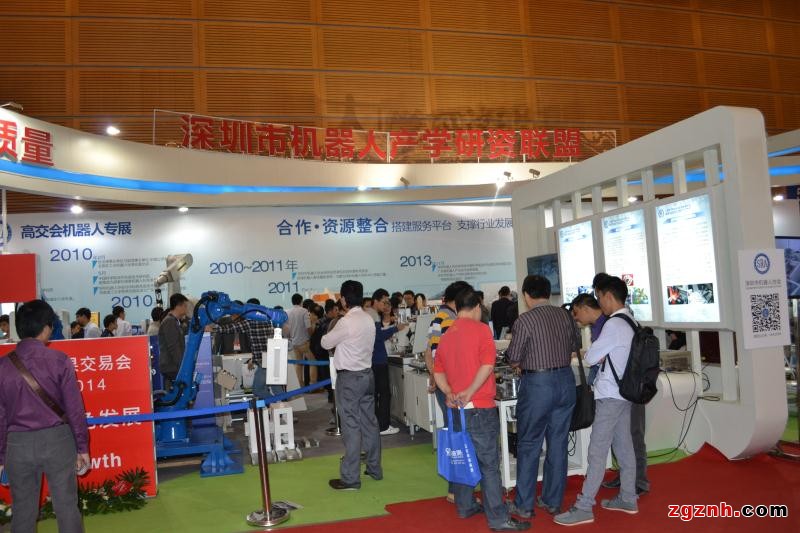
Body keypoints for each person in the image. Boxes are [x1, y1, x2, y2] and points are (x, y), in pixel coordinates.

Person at [434, 288, 530, 532]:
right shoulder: (481, 330)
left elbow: (438, 371)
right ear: (477, 306)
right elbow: (487, 365)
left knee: (462, 456)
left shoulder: (447, 334)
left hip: (457, 408)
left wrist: (449, 392)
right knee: (489, 464)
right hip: (479, 406)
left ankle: (465, 506)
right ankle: (498, 518)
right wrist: (469, 391)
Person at [0, 299, 90, 533]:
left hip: (17, 444)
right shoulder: (59, 360)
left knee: (23, 512)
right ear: (46, 327)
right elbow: (74, 409)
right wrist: (82, 447)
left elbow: (0, 417)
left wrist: (1, 457)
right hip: (58, 440)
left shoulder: (2, 366)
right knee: (66, 507)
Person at [555, 275, 639, 526]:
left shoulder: (614, 325)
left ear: (608, 296)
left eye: (599, 296)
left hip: (610, 394)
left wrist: (596, 354)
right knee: (624, 447)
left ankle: (584, 507)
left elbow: (591, 357)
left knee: (597, 450)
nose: (599, 302)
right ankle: (628, 497)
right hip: (624, 394)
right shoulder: (631, 321)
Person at [506, 275, 579, 519]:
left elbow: (514, 358)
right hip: (566, 381)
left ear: (527, 295)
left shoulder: (525, 320)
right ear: (548, 293)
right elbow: (574, 347)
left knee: (529, 444)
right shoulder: (566, 316)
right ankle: (552, 501)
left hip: (538, 385)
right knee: (558, 443)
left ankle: (524, 505)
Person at [321, 280, 381, 491]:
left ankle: (350, 478)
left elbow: (325, 342)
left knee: (351, 426)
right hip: (367, 375)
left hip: (349, 379)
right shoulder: (368, 318)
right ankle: (374, 468)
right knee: (369, 423)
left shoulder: (346, 322)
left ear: (344, 299)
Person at [424, 280, 472, 504]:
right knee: (459, 436)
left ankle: (456, 488)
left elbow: (429, 352)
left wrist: (434, 376)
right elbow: (448, 357)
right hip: (452, 387)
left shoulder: (440, 317)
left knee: (455, 434)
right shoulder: (450, 319)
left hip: (446, 386)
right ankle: (456, 490)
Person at [216, 297, 278, 399]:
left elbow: (250, 340)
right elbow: (218, 339)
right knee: (228, 385)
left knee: (247, 385)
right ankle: (232, 404)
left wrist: (252, 358)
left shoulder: (248, 322)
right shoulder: (223, 321)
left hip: (246, 357)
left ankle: (270, 403)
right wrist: (215, 354)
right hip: (227, 357)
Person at [371, 289, 407, 436]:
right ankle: (383, 426)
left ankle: (375, 425)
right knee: (384, 393)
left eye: (388, 302)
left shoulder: (370, 314)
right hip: (378, 359)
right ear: (376, 301)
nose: (386, 305)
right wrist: (395, 328)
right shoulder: (374, 316)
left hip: (373, 359)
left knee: (375, 394)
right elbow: (378, 336)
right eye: (384, 301)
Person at [158, 293, 189, 389]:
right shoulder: (169, 321)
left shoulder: (175, 321)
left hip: (174, 365)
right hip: (172, 366)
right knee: (176, 393)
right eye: (185, 306)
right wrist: (182, 367)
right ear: (178, 306)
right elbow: (174, 347)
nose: (186, 308)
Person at [286, 293, 315, 387]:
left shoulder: (288, 312)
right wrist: (312, 334)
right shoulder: (304, 311)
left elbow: (287, 329)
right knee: (313, 362)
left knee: (298, 364)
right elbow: (308, 327)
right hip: (304, 342)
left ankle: (300, 385)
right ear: (301, 301)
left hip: (294, 343)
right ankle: (313, 385)